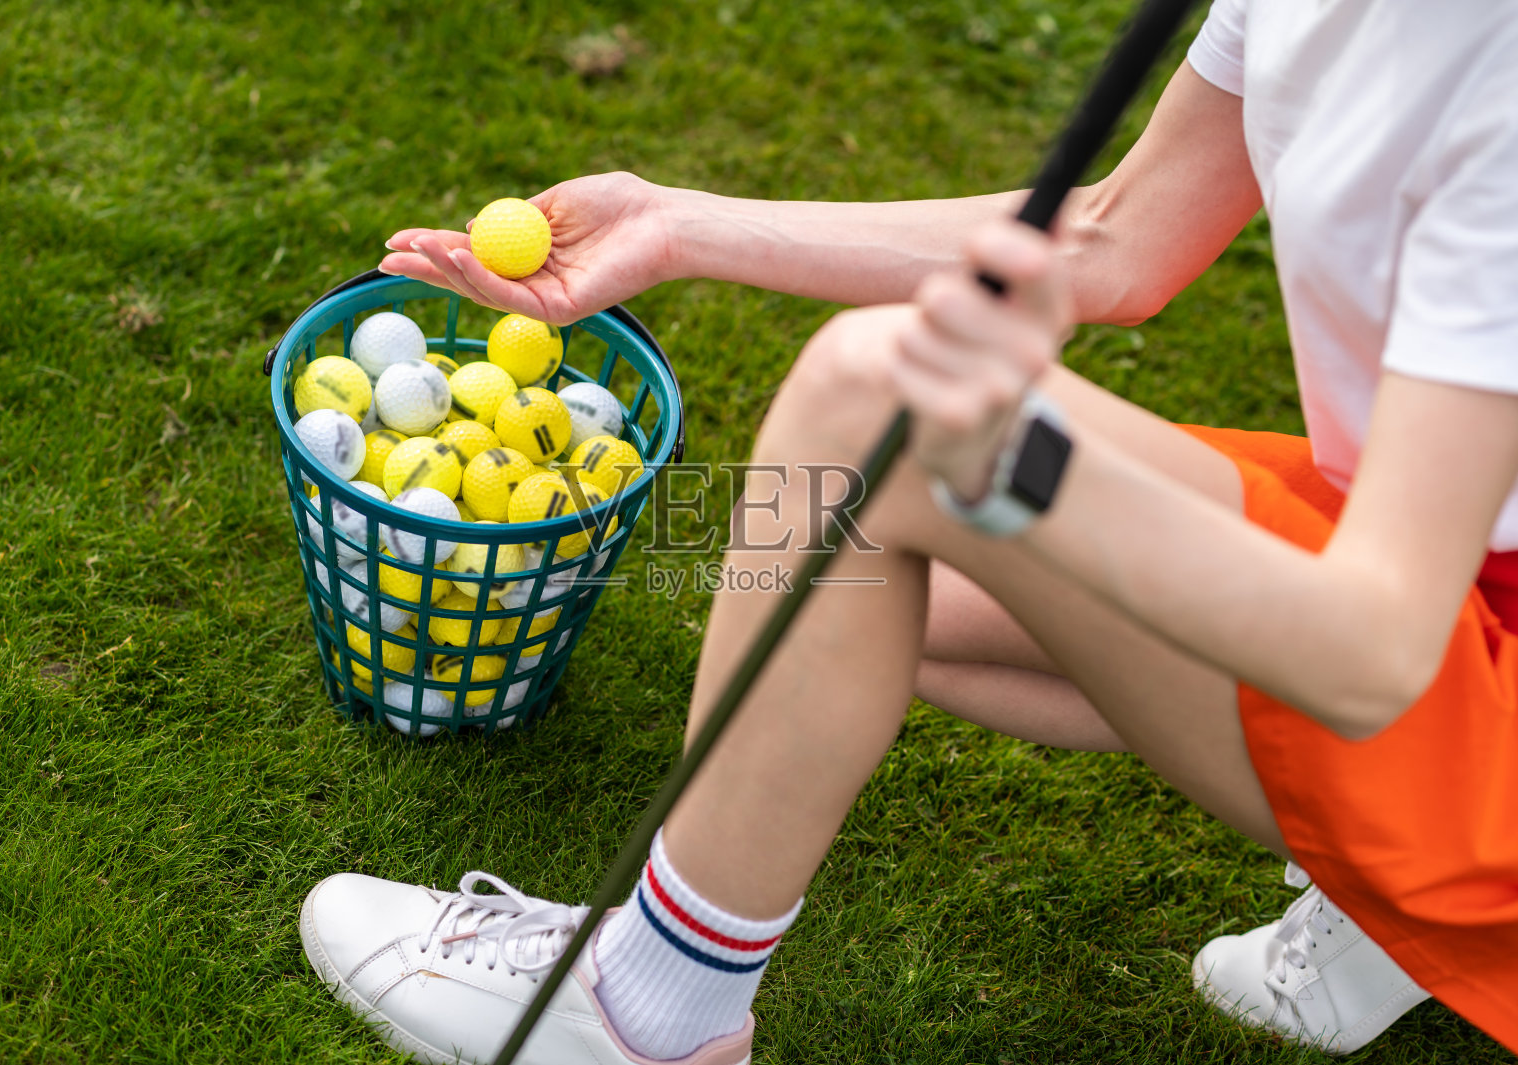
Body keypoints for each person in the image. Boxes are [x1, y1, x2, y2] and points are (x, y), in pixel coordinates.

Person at [298, 0, 1518, 1059]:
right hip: (1436, 555)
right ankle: (1385, 904)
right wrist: (677, 227)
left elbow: (1372, 655)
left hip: (1438, 657)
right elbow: (1119, 235)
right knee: (853, 591)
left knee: (870, 410)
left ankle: (645, 1013)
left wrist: (1003, 461)